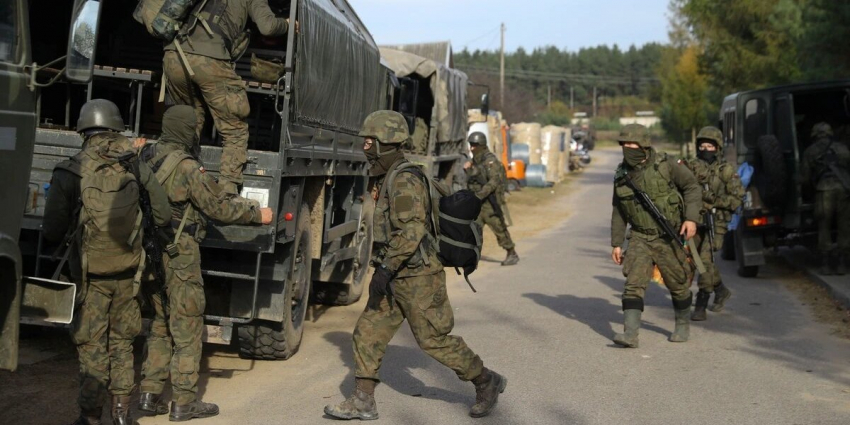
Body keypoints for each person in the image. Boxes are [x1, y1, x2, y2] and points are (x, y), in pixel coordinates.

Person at [324, 111, 506, 420]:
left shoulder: (405, 179)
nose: (366, 148)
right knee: (367, 333)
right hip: (396, 274)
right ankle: (363, 401)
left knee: (433, 341)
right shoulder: (387, 175)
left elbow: (411, 231)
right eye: (365, 142)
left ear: (387, 145)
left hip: (419, 277)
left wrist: (383, 270)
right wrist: (385, 271)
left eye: (371, 142)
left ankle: (486, 381)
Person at [136, 106, 273, 421]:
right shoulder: (186, 167)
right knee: (187, 325)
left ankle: (149, 394)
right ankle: (184, 402)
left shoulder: (145, 157)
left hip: (150, 252)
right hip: (180, 255)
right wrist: (257, 215)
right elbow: (218, 208)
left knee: (159, 321)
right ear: (187, 131)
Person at [44, 99, 171, 425]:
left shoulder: (71, 169)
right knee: (122, 345)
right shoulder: (133, 164)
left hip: (90, 278)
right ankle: (120, 414)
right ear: (116, 128)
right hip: (129, 275)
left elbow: (53, 230)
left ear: (84, 130)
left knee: (91, 346)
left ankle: (89, 416)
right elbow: (163, 213)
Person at [162, 0, 293, 196]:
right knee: (234, 130)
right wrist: (290, 24)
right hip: (209, 59)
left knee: (188, 120)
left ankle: (174, 182)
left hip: (174, 55)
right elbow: (268, 27)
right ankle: (226, 193)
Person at [610, 124, 702, 347]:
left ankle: (682, 325)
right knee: (633, 284)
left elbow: (691, 187)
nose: (627, 149)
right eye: (624, 145)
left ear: (644, 145)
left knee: (677, 283)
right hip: (640, 237)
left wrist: (691, 218)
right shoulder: (622, 174)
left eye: (631, 144)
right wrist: (616, 243)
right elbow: (618, 211)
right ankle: (630, 335)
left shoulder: (666, 165)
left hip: (667, 236)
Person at [683, 126, 744, 320]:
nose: (706, 149)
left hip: (715, 222)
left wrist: (714, 202)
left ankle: (701, 302)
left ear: (717, 148)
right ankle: (720, 290)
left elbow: (737, 199)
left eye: (710, 146)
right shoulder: (691, 166)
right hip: (694, 220)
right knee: (696, 261)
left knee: (706, 261)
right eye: (703, 145)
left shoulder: (725, 170)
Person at [801, 122, 850, 275]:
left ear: (814, 135)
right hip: (844, 189)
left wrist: (808, 192)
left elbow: (805, 178)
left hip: (824, 190)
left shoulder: (810, 151)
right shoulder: (843, 148)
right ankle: (842, 263)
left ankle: (826, 264)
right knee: (844, 226)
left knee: (824, 226)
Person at [464, 131, 519, 266]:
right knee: (473, 229)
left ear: (482, 145)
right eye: (471, 145)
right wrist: (468, 170)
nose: (472, 148)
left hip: (489, 203)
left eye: (474, 145)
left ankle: (511, 252)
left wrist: (480, 195)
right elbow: (475, 178)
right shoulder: (476, 161)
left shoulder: (490, 161)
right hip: (478, 203)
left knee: (498, 228)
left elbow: (493, 182)